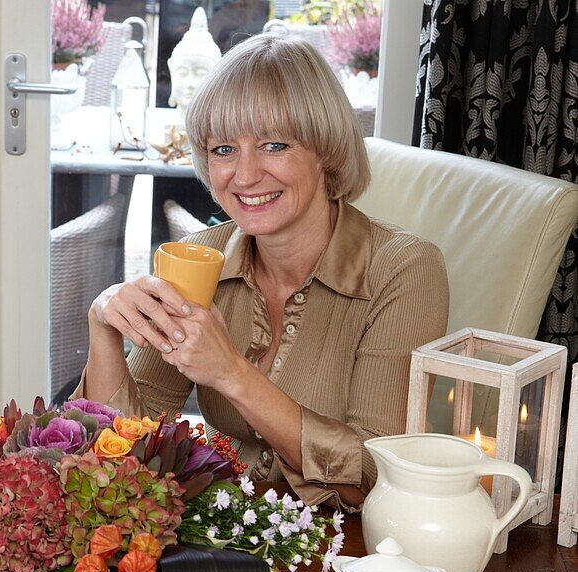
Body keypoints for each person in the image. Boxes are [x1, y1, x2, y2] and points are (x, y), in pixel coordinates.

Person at [79, 34, 449, 510]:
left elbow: (377, 477)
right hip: (227, 539)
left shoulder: (404, 270)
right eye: (223, 149)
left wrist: (231, 372)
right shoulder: (198, 259)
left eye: (274, 146)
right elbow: (121, 456)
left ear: (327, 152)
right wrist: (102, 323)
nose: (245, 175)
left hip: (359, 553)